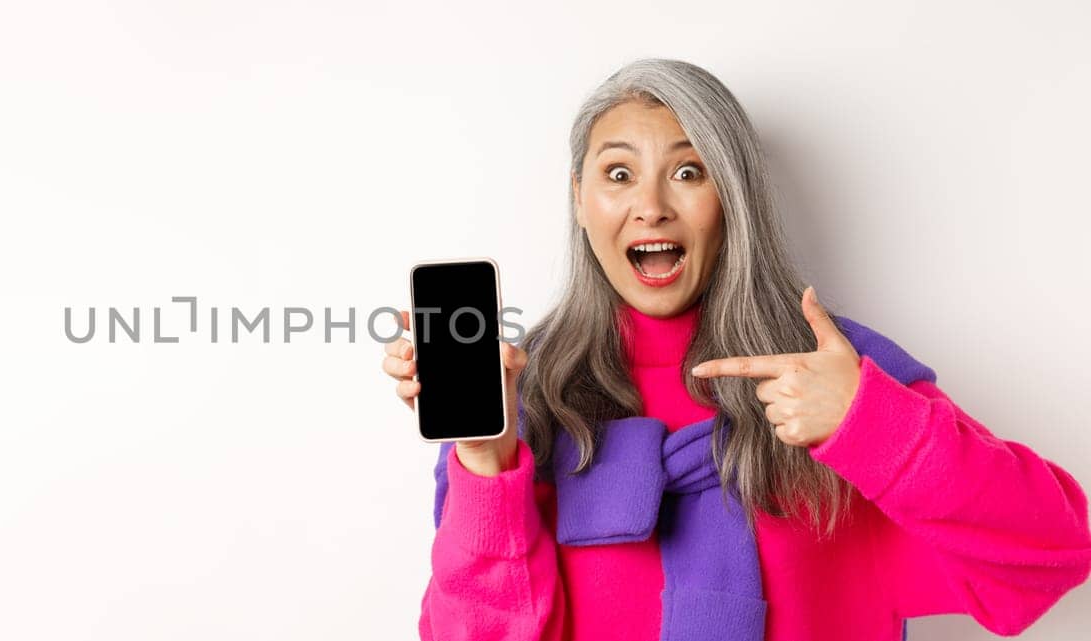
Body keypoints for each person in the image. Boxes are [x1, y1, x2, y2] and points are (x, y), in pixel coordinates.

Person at [380, 58, 1091, 641]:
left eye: (689, 171)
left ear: (736, 195)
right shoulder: (520, 398)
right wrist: (484, 463)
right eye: (618, 174)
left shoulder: (831, 365)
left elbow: (1053, 551)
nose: (651, 205)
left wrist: (870, 424)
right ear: (579, 198)